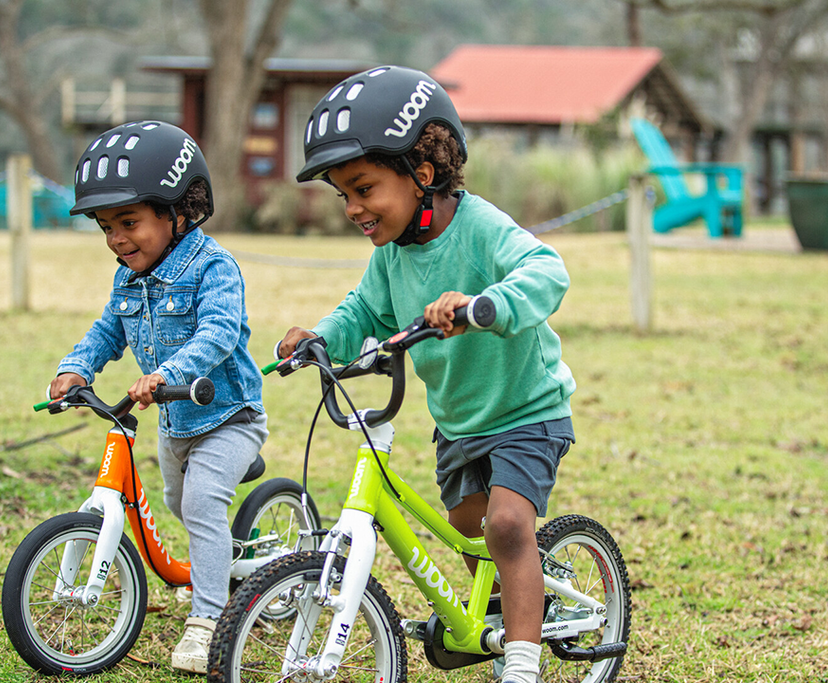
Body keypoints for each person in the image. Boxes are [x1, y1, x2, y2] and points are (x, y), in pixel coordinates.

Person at [277, 66, 575, 683]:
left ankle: (522, 662)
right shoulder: (390, 257)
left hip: (526, 410)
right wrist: (319, 337)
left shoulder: (481, 228)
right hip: (459, 420)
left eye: (364, 189)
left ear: (424, 172)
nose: (355, 209)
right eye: (344, 196)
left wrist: (485, 306)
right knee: (470, 531)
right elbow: (362, 310)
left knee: (509, 526)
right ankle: (505, 606)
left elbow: (546, 270)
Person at [51, 120, 267, 674]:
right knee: (182, 505)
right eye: (105, 228)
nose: (117, 240)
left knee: (198, 505)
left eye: (128, 223)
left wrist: (166, 371)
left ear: (178, 211)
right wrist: (75, 368)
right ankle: (235, 565)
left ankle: (210, 620)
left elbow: (218, 333)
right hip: (175, 423)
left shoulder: (214, 267)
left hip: (229, 417)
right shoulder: (128, 277)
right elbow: (107, 331)